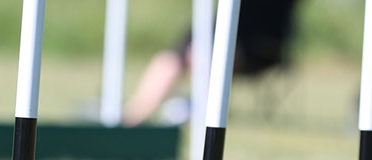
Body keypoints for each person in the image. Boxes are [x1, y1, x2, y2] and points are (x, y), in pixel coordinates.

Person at [122, 0, 301, 126]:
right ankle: (130, 118)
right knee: (169, 59)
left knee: (203, 55)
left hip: (260, 45)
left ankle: (202, 109)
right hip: (213, 32)